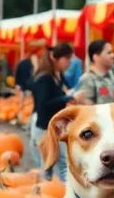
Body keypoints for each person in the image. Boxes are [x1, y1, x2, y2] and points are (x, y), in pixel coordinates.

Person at [30, 42, 78, 181]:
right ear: (55, 58)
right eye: (67, 58)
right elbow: (43, 104)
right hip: (44, 128)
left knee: (61, 162)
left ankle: (63, 190)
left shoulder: (59, 76)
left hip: (56, 126)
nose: (70, 62)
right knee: (48, 165)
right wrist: (67, 97)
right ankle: (47, 194)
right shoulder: (44, 78)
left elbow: (65, 91)